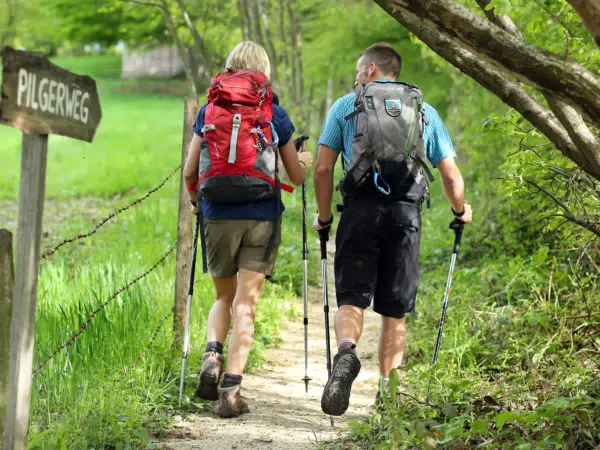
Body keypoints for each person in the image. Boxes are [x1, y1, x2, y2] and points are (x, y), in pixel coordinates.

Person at [313, 42, 473, 416]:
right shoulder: (424, 111)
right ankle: (389, 396)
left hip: (359, 212)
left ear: (371, 69)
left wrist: (324, 217)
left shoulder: (344, 106)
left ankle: (347, 353)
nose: (355, 77)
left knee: (352, 298)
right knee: (394, 311)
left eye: (357, 70)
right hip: (405, 216)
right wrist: (461, 210)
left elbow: (322, 169)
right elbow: (450, 175)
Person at [183, 41, 313, 418]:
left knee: (223, 297)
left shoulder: (209, 109)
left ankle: (211, 353)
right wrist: (302, 158)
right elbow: (296, 176)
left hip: (217, 212)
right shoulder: (273, 112)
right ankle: (231, 393)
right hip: (261, 216)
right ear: (264, 71)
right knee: (247, 304)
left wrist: (196, 204)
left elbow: (191, 171)